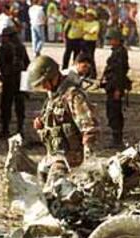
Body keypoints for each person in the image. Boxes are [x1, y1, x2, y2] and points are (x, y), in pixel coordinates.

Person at [29, 55, 99, 183]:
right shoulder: (54, 97)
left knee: (54, 184)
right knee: (41, 174)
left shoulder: (73, 96)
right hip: (56, 154)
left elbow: (89, 128)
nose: (44, 87)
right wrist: (41, 122)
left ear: (53, 77)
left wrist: (88, 159)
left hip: (71, 158)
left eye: (44, 83)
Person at [0, 27, 30, 138]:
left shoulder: (4, 48)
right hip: (19, 79)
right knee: (19, 106)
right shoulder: (21, 47)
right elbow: (27, 64)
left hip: (9, 80)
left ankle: (5, 129)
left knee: (6, 105)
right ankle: (20, 129)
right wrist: (26, 85)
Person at [101, 29, 131, 147]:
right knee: (112, 112)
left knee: (114, 113)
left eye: (112, 39)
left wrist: (118, 89)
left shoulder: (120, 53)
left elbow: (120, 73)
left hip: (115, 87)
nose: (110, 42)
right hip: (112, 85)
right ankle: (116, 138)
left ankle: (117, 139)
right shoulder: (117, 51)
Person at [81, 9, 100, 79]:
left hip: (91, 42)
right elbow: (81, 31)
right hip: (84, 41)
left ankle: (93, 74)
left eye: (89, 15)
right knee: (84, 58)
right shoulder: (84, 23)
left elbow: (93, 31)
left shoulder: (96, 23)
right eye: (87, 15)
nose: (87, 17)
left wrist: (86, 32)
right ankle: (85, 73)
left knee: (91, 58)